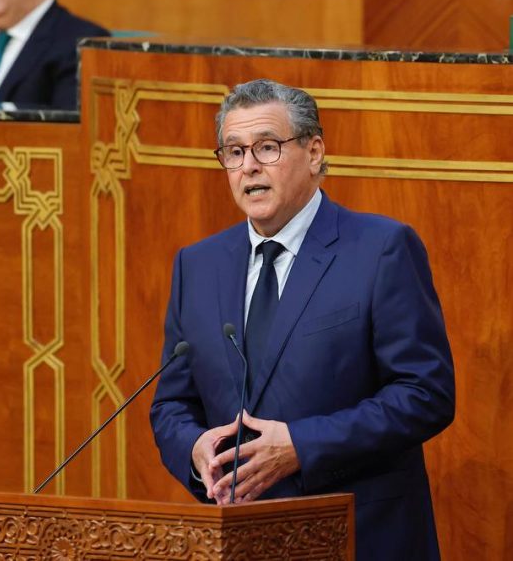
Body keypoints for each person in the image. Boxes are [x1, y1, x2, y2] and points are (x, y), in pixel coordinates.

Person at [149, 79, 455, 560]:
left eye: (267, 147)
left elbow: (426, 393)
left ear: (314, 153)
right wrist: (195, 450)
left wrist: (301, 445)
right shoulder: (198, 265)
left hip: (358, 536)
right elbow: (171, 404)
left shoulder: (380, 249)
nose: (249, 166)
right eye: (234, 152)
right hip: (239, 540)